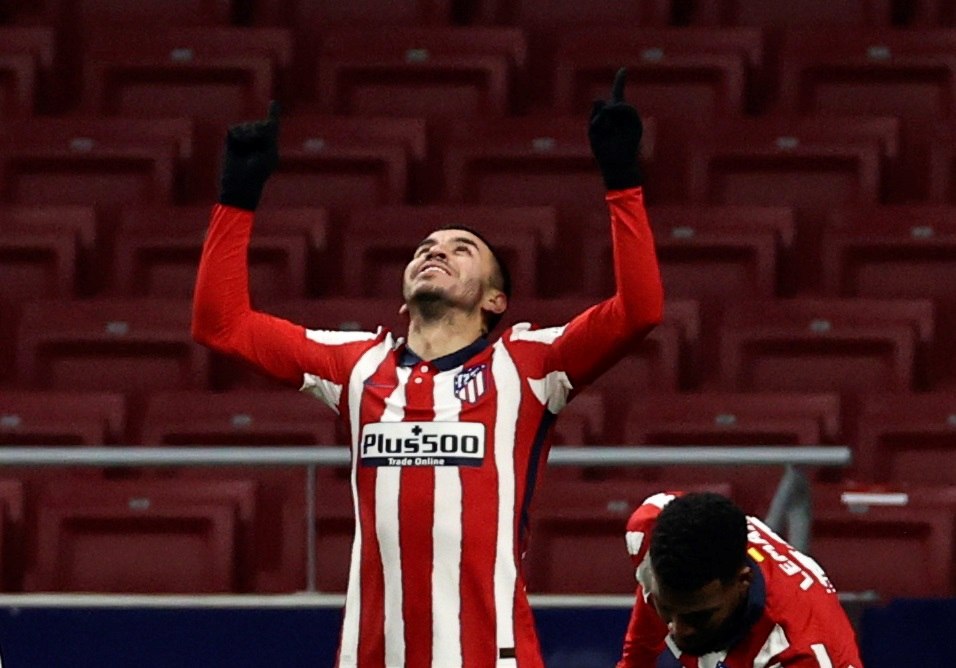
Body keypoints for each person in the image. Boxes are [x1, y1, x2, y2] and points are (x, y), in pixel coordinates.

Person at [192, 68, 663, 667]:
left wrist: (623, 181)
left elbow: (640, 311)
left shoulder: (528, 365)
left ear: (496, 301)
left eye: (461, 249)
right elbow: (221, 324)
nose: (435, 251)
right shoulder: (357, 365)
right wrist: (236, 197)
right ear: (402, 292)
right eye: (424, 249)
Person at [617, 492, 864, 668]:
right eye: (667, 609)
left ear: (742, 582)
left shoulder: (800, 653)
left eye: (698, 616)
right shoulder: (650, 529)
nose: (678, 630)